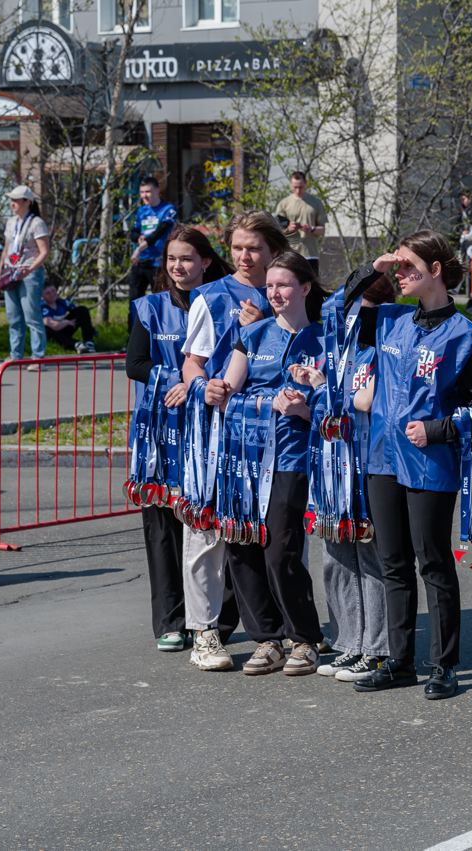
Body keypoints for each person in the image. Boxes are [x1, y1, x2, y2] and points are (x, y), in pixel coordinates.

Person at [350, 231, 472, 700]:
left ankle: (444, 665)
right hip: (383, 459)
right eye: (397, 267)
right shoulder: (392, 320)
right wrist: (373, 270)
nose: (400, 273)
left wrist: (437, 431)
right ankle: (399, 661)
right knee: (393, 562)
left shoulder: (469, 335)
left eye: (409, 265)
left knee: (432, 563)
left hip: (429, 462)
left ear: (436, 270)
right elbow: (339, 312)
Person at [207, 252, 326, 676]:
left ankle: (305, 638)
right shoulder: (253, 335)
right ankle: (267, 638)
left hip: (292, 458)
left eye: (284, 285)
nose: (274, 293)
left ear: (306, 288)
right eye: (270, 286)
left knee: (280, 551)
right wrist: (215, 391)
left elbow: (334, 409)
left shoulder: (324, 340)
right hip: (244, 457)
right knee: (241, 546)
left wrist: (302, 411)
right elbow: (226, 391)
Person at [177, 212, 279, 670]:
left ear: (272, 250)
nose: (244, 256)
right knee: (206, 533)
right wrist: (206, 386)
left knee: (266, 536)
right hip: (219, 432)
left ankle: (277, 634)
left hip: (272, 434)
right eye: (238, 247)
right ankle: (204, 633)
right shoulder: (211, 297)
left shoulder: (286, 291)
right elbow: (193, 362)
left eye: (253, 247)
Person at [125, 225, 233, 656]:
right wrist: (180, 379)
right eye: (171, 259)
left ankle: (216, 618)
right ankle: (171, 620)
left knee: (211, 525)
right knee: (163, 527)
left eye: (186, 258)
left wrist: (201, 386)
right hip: (160, 432)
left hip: (210, 430)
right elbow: (136, 363)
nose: (177, 267)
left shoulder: (226, 303)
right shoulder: (148, 308)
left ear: (205, 261)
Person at [310, 273, 398, 683]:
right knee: (337, 554)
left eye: (364, 315)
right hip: (336, 463)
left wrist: (332, 393)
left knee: (372, 556)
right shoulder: (341, 349)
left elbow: (365, 399)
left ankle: (377, 647)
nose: (354, 324)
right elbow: (339, 398)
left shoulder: (387, 348)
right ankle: (349, 641)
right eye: (350, 315)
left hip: (373, 462)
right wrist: (316, 386)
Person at [0, 185, 51, 366]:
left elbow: (44, 251)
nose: (12, 203)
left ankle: (38, 356)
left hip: (29, 273)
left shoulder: (37, 223)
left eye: (16, 200)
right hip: (10, 271)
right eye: (11, 200)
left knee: (31, 315)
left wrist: (31, 268)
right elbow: (6, 249)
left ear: (27, 202)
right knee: (13, 316)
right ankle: (15, 355)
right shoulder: (11, 222)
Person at [128, 177, 178, 301]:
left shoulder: (168, 209)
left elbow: (160, 231)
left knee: (161, 300)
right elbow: (133, 232)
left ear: (157, 190)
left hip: (158, 263)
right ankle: (135, 321)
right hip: (141, 262)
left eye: (148, 192)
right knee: (134, 301)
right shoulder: (141, 211)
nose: (144, 195)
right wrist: (138, 238)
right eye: (142, 192)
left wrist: (141, 247)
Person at [273, 170, 327, 273]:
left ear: (306, 184)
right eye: (295, 187)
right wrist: (289, 228)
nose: (298, 190)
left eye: (300, 187)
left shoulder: (316, 202)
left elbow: (322, 230)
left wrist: (311, 229)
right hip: (290, 253)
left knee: (312, 287)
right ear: (290, 185)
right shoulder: (284, 204)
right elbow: (277, 231)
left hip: (310, 253)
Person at [42, 283, 97, 353]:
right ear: (43, 296)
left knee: (82, 310)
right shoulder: (43, 307)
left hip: (65, 327)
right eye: (48, 293)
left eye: (53, 291)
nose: (52, 294)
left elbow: (78, 312)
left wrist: (89, 327)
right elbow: (52, 325)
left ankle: (89, 342)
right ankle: (75, 344)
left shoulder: (62, 302)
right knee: (46, 328)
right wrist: (66, 322)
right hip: (54, 333)